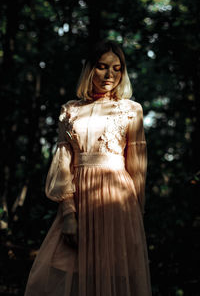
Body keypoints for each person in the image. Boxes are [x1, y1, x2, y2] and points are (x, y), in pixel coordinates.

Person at [24, 40, 152, 296]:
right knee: (61, 268)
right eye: (103, 67)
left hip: (118, 202)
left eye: (117, 68)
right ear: (90, 69)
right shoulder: (70, 110)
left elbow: (137, 166)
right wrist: (69, 213)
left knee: (112, 274)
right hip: (78, 200)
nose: (110, 75)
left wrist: (135, 216)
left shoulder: (131, 110)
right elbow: (63, 164)